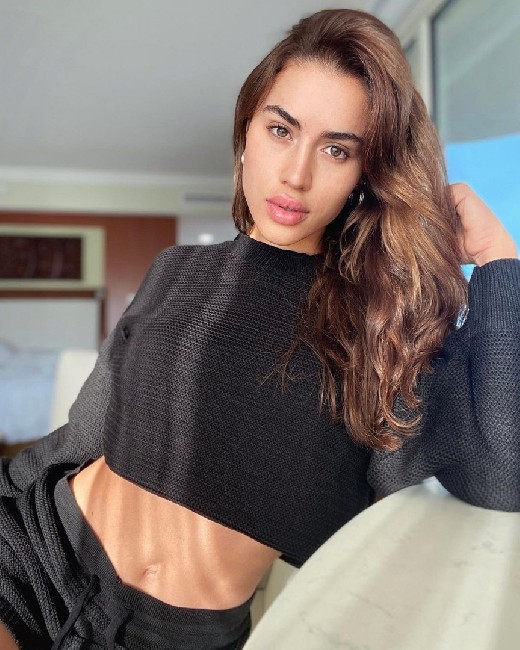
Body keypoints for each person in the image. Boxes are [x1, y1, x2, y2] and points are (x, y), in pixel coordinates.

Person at [0, 8, 518, 650]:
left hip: (175, 637)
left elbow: (503, 474)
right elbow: (83, 436)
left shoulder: (383, 332)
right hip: (34, 554)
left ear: (365, 175)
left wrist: (499, 259)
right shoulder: (177, 269)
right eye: (281, 130)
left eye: (336, 149)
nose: (297, 174)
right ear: (248, 132)